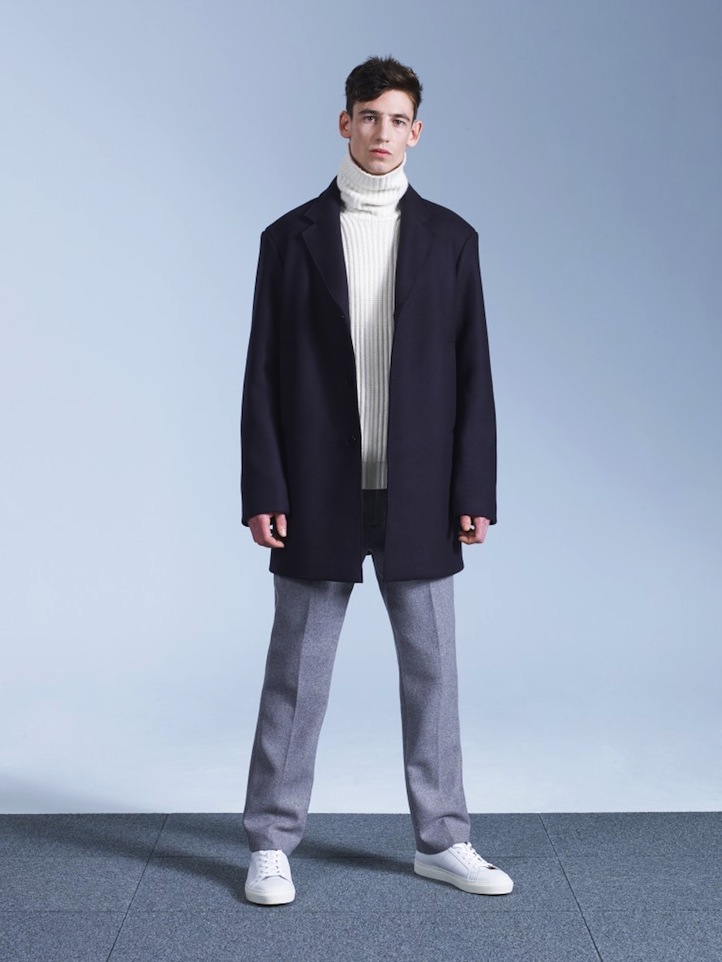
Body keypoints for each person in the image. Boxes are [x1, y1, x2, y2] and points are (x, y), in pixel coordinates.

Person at [240, 55, 513, 905]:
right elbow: (262, 374)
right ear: (344, 123)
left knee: (434, 674)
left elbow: (474, 374)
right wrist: (264, 489)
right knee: (297, 675)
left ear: (416, 131)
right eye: (368, 116)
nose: (382, 133)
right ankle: (271, 842)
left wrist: (473, 492)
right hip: (316, 489)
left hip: (420, 492)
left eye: (397, 120)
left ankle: (443, 839)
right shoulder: (288, 239)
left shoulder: (451, 239)